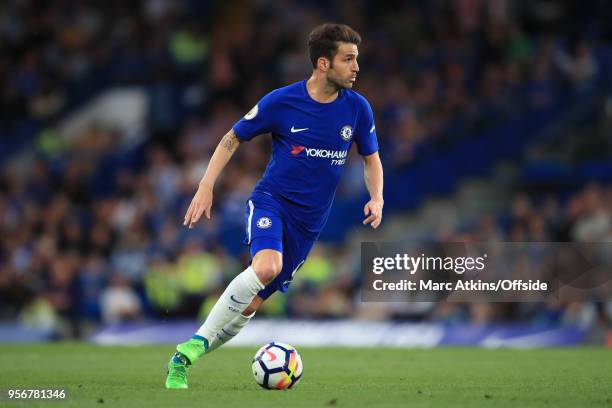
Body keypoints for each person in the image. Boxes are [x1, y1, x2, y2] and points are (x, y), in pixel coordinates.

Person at [165, 23, 384, 389]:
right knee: (267, 266)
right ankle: (191, 347)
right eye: (348, 59)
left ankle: (183, 359)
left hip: (308, 225)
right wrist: (206, 186)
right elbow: (232, 137)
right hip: (272, 202)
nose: (356, 67)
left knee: (249, 306)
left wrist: (376, 197)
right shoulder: (282, 101)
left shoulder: (358, 109)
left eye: (356, 59)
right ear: (323, 64)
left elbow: (371, 159)